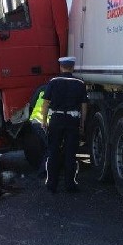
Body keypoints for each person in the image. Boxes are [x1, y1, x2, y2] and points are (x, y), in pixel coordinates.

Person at [41, 56, 88, 193]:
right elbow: (84, 106)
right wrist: (82, 123)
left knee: (53, 152)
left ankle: (51, 184)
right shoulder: (80, 83)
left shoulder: (53, 82)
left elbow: (45, 103)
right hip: (72, 120)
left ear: (61, 67)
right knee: (70, 153)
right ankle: (70, 184)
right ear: (72, 67)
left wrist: (44, 121)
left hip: (56, 119)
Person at [28, 89, 48, 178]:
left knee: (44, 147)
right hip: (42, 123)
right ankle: (42, 172)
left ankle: (44, 169)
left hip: (34, 121)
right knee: (50, 148)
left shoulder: (41, 90)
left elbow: (32, 104)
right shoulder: (55, 90)